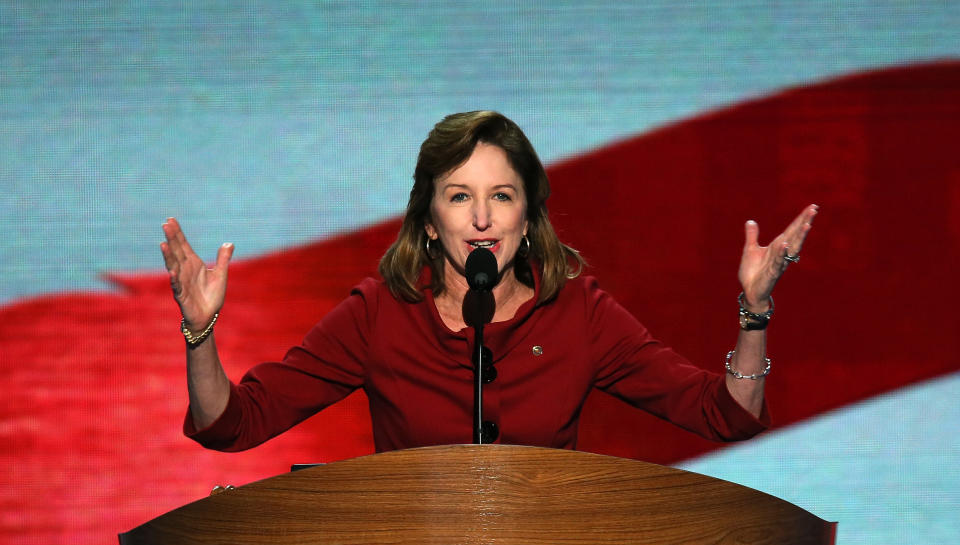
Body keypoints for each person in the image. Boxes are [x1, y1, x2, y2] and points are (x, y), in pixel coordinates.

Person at [160, 111, 816, 453]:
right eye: (458, 196)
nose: (480, 218)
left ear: (527, 218)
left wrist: (753, 315)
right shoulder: (379, 315)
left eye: (501, 196)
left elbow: (727, 416)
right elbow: (233, 425)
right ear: (427, 220)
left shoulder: (578, 315)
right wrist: (199, 332)